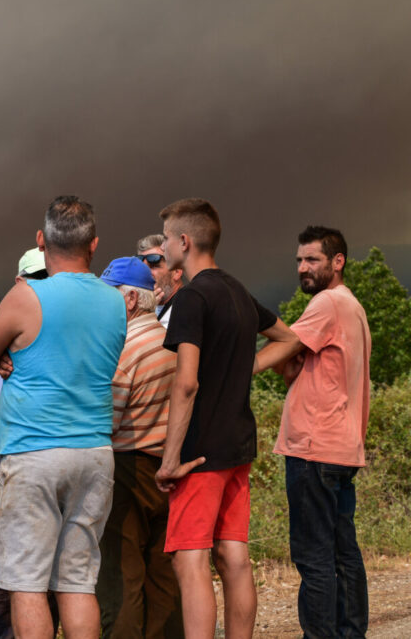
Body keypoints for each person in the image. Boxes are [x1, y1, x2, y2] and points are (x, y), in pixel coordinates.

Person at [0, 196, 126, 639]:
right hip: (95, 452)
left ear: (41, 241)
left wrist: (5, 352)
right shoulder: (115, 303)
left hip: (34, 453)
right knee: (77, 582)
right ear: (93, 245)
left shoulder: (26, 296)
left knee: (26, 584)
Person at [153, 198, 297, 639]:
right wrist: (246, 365)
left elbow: (187, 383)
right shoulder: (237, 290)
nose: (162, 246)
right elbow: (289, 337)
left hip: (201, 453)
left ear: (184, 241)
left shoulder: (193, 297)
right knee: (234, 557)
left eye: (164, 239)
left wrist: (171, 458)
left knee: (189, 558)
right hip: (238, 447)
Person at [254, 226, 371, 639]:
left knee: (314, 558)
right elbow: (298, 367)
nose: (303, 268)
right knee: (343, 554)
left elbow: (284, 351)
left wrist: (232, 369)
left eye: (313, 260)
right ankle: (350, 632)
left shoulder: (327, 303)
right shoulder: (351, 306)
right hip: (341, 448)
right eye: (299, 260)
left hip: (314, 448)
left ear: (337, 262)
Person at [94, 257, 183, 639]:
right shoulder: (175, 342)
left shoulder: (124, 351)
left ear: (129, 300)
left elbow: (107, 424)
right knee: (164, 577)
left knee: (121, 578)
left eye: (108, 294)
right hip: (172, 471)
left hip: (130, 471)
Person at [0, 248, 59, 639]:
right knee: (10, 568)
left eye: (48, 277)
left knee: (46, 569)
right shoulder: (6, 333)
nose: (42, 286)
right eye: (36, 278)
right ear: (19, 281)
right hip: (16, 460)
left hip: (44, 460)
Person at [136, 234, 184, 329]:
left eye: (154, 265)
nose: (145, 273)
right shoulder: (140, 309)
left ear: (177, 271)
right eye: (141, 267)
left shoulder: (188, 308)